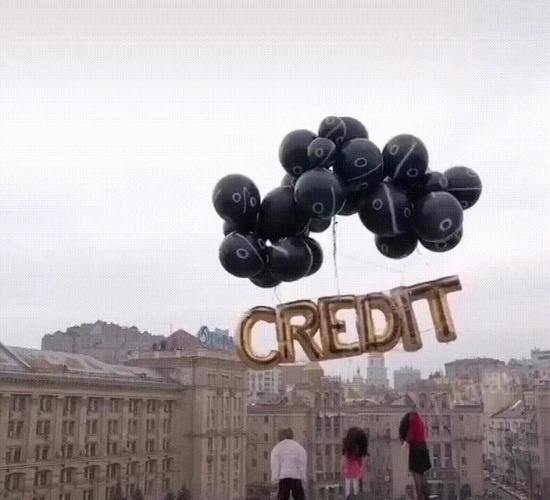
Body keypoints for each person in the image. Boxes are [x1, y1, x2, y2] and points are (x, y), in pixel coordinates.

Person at [399, 408, 432, 500]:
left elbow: (411, 433)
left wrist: (405, 443)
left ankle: (420, 497)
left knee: (417, 476)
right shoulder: (420, 417)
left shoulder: (413, 418)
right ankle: (425, 496)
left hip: (416, 449)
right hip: (423, 448)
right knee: (421, 475)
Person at [270, 428, 307, 500]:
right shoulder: (299, 447)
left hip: (284, 477)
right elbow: (302, 462)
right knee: (299, 497)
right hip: (296, 477)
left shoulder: (277, 448)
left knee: (283, 497)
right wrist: (303, 476)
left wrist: (274, 479)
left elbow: (275, 466)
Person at [341, 427, 369, 500]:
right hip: (352, 472)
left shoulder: (357, 455)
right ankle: (351, 495)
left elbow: (362, 463)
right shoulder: (351, 454)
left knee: (353, 485)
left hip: (353, 472)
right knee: (351, 485)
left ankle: (352, 495)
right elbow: (344, 461)